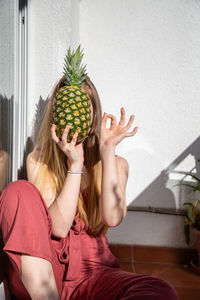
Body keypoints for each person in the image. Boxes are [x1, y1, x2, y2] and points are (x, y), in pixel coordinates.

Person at [0, 76, 178, 300]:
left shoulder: (116, 163)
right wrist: (74, 166)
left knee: (158, 290)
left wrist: (108, 151)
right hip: (46, 274)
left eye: (85, 106)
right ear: (58, 112)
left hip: (95, 274)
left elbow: (112, 218)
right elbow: (58, 228)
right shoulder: (39, 160)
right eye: (70, 106)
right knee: (18, 191)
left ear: (93, 113)